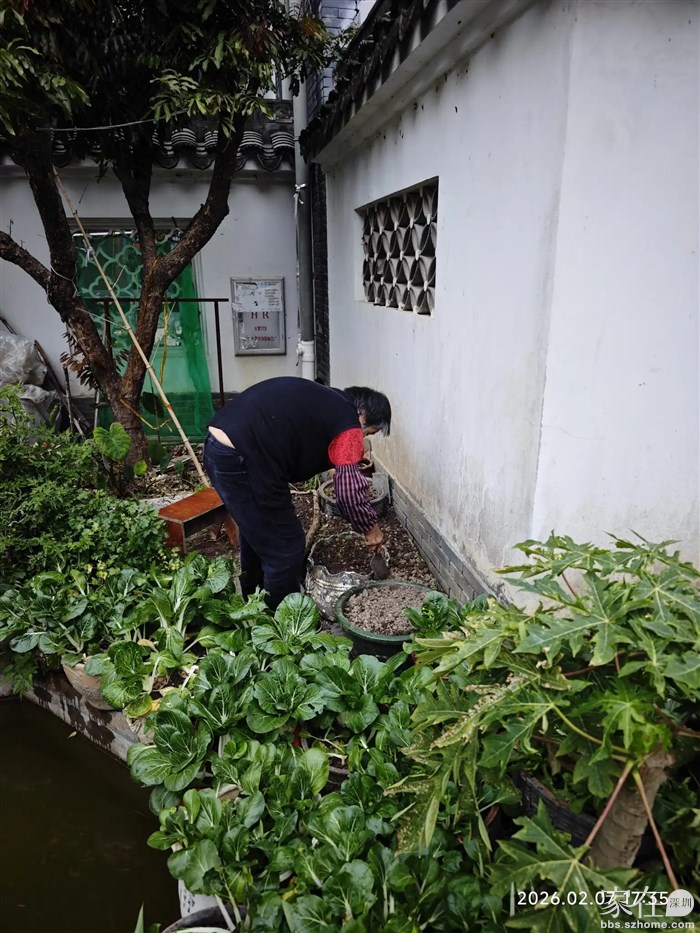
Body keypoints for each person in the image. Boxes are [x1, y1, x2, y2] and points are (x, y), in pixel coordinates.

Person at [203, 376, 392, 609]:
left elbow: (302, 434)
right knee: (285, 546)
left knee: (258, 531)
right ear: (362, 416)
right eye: (369, 433)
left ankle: (253, 603)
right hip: (244, 457)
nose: (362, 439)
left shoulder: (329, 402)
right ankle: (282, 621)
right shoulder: (349, 422)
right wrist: (371, 529)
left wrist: (337, 466)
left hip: (218, 447)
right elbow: (348, 493)